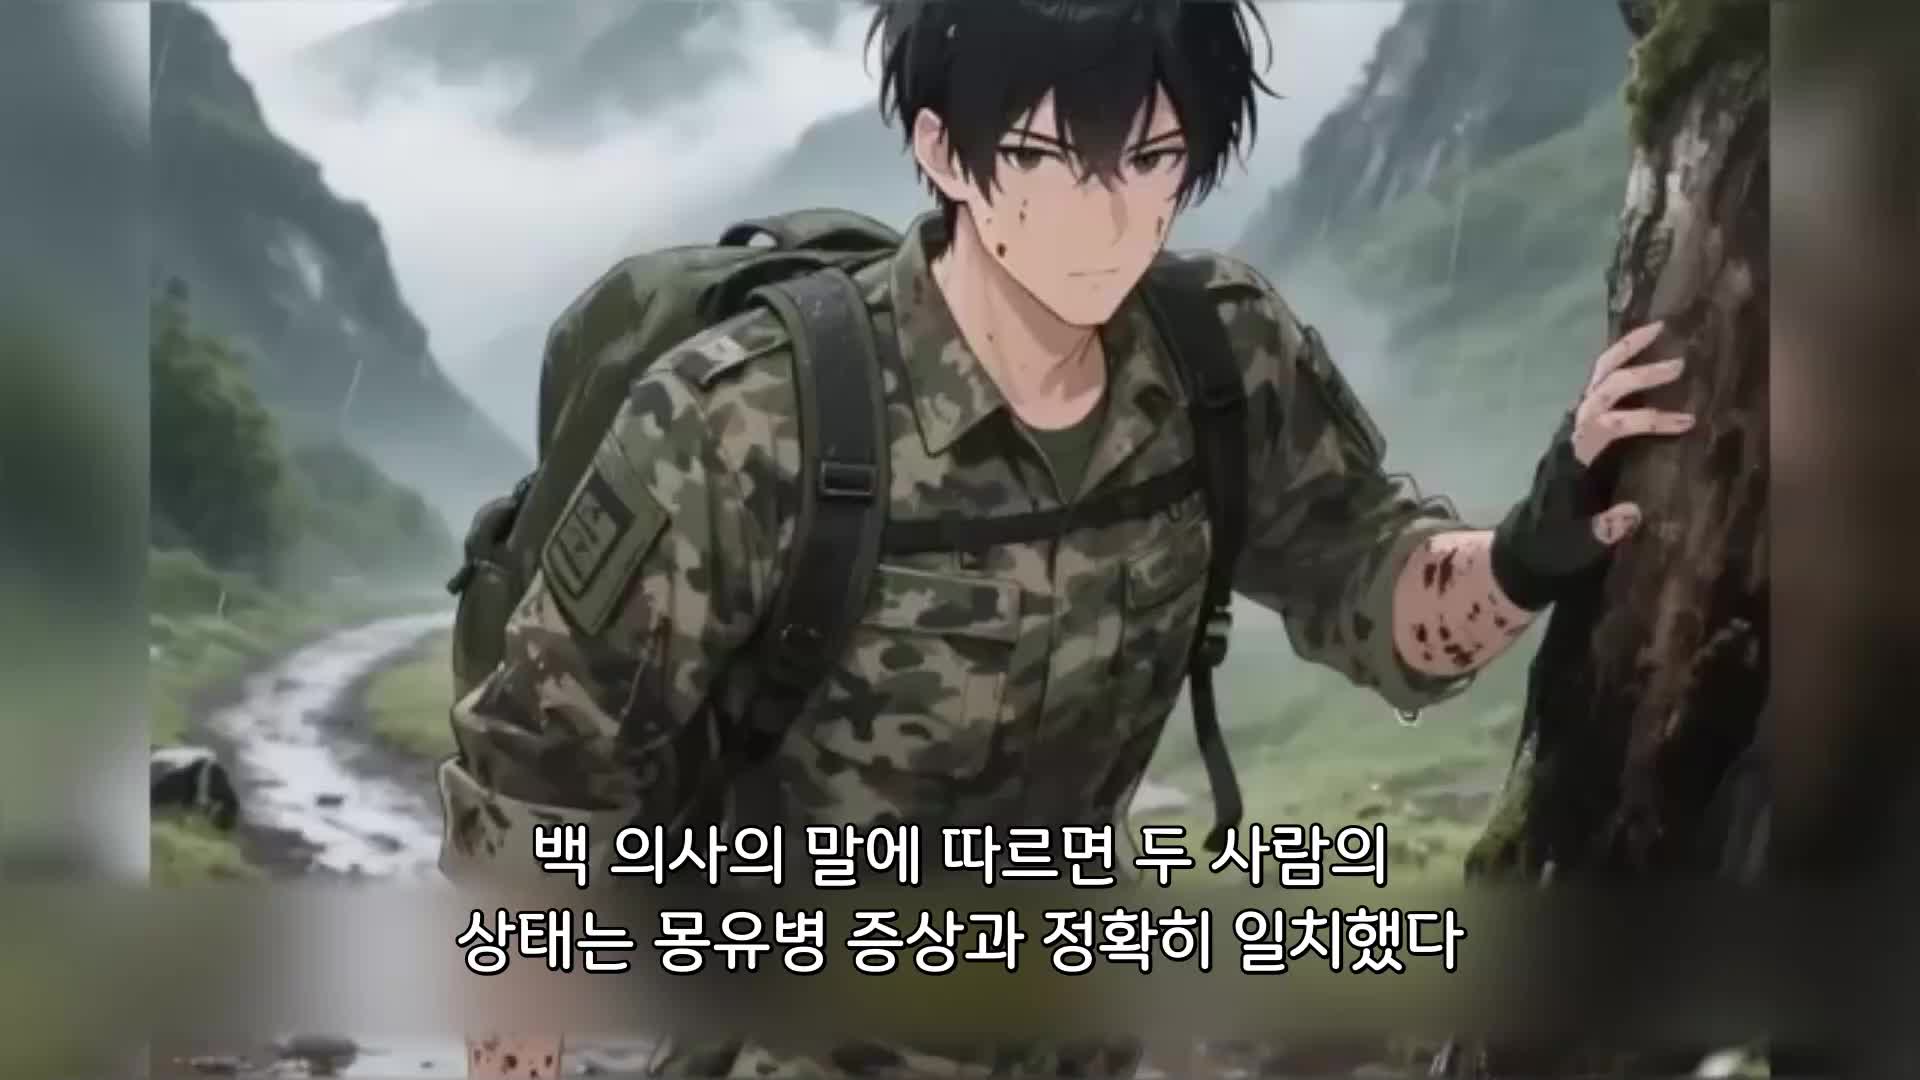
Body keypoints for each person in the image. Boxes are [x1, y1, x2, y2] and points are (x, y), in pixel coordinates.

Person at [444, 1, 1694, 1075]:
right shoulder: (747, 421)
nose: (1106, 214)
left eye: (1150, 158)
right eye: (1047, 158)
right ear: (943, 149)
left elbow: (1376, 588)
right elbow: (538, 791)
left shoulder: (1220, 363)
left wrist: (1532, 545)